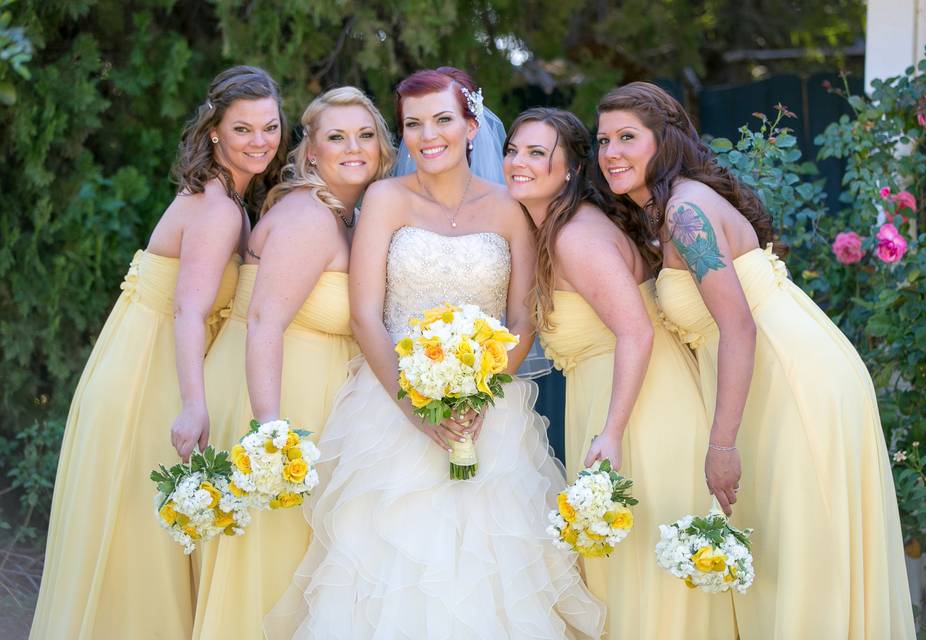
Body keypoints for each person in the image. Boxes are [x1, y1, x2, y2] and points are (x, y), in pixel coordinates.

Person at [265, 67, 604, 639]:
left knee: (490, 571)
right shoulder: (385, 198)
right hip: (389, 412)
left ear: (472, 126)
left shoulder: (509, 207)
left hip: (490, 415)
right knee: (386, 569)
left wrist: (480, 390)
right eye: (413, 124)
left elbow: (521, 318)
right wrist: (413, 404)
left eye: (444, 120)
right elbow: (364, 314)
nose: (429, 136)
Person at [596, 81, 915, 639]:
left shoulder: (686, 211)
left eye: (627, 137)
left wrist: (720, 446)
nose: (610, 153)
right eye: (602, 141)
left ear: (664, 142)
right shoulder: (674, 207)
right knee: (783, 555)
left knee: (802, 559)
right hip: (769, 377)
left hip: (789, 380)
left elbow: (738, 327)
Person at [30, 65, 287, 639]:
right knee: (138, 545)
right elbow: (188, 311)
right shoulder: (219, 209)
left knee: (136, 538)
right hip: (150, 379)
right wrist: (195, 405)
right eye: (242, 129)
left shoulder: (221, 195)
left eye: (269, 127)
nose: (260, 142)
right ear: (215, 131)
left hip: (140, 361)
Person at [507, 106, 736, 640]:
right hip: (620, 402)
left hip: (641, 415)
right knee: (626, 574)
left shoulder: (576, 237)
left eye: (537, 153)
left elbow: (637, 332)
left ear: (568, 170)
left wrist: (611, 432)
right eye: (513, 149)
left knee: (643, 584)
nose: (518, 161)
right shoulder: (558, 229)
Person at [191, 86, 395, 640]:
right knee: (272, 565)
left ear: (382, 147)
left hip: (309, 400)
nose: (353, 147)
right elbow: (263, 323)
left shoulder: (344, 216)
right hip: (280, 402)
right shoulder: (310, 217)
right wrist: (269, 434)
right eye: (336, 137)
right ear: (310, 152)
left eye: (365, 135)